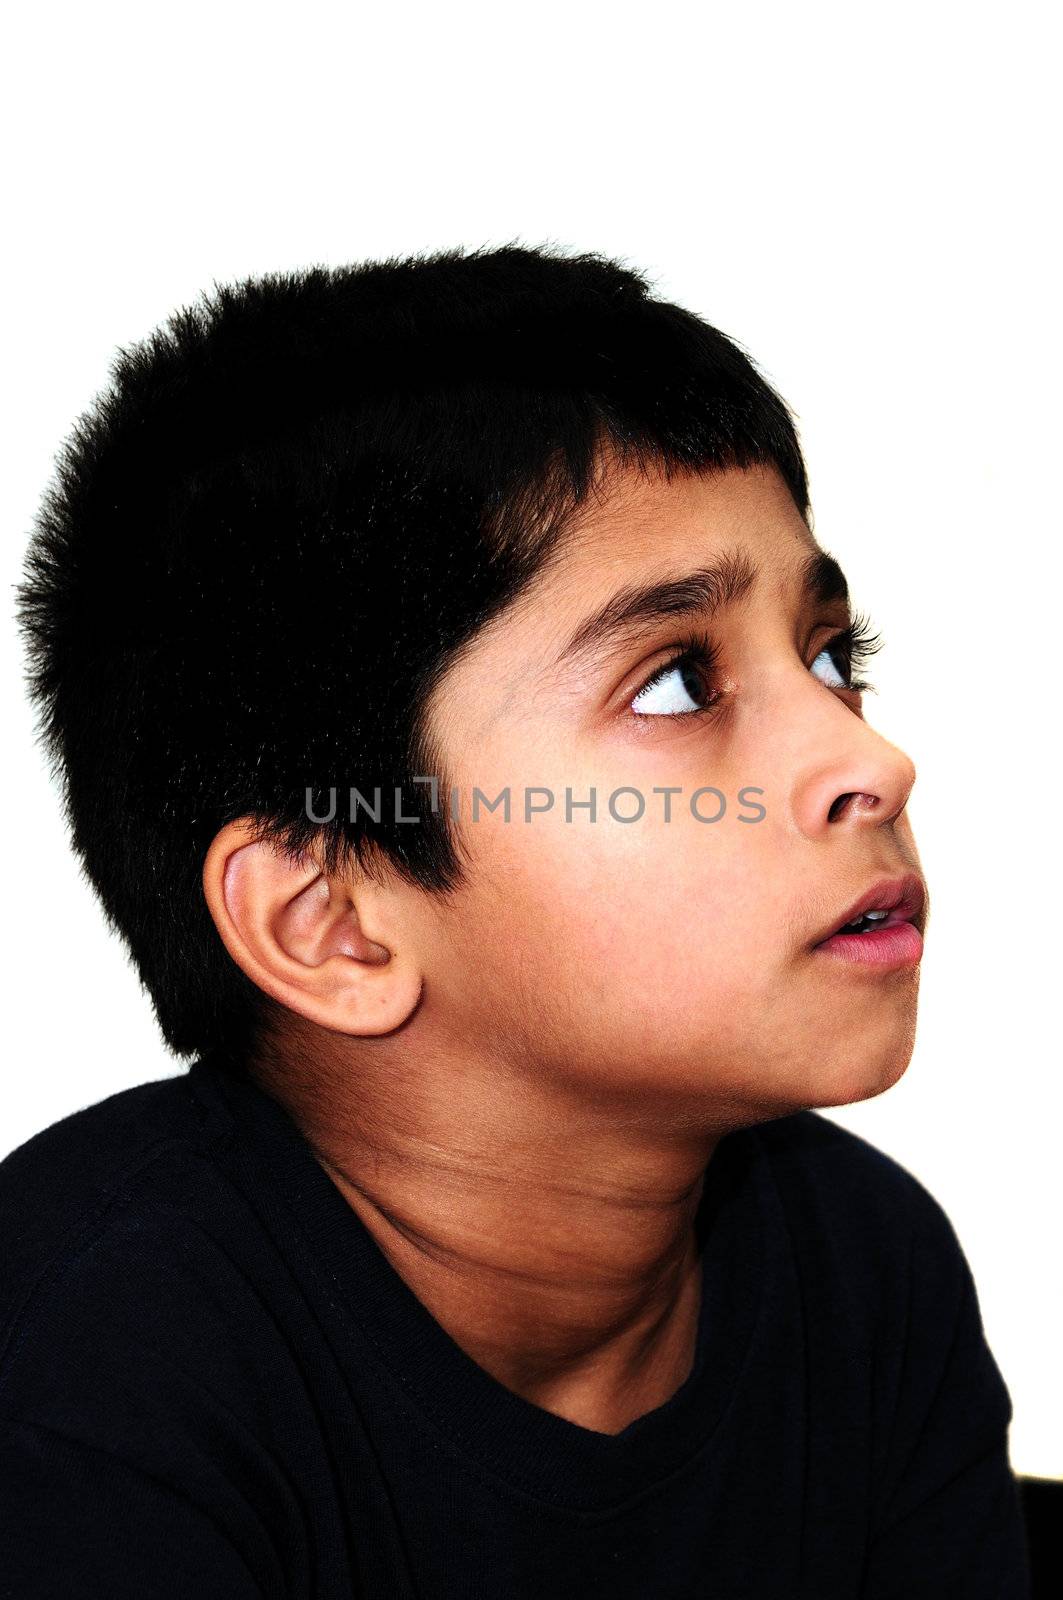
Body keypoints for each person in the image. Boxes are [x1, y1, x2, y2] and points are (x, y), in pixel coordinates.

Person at [1, 243, 1030, 1596]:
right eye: (676, 684)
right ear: (335, 922)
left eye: (834, 658)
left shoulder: (864, 1272)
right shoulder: (92, 1372)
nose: (869, 762)